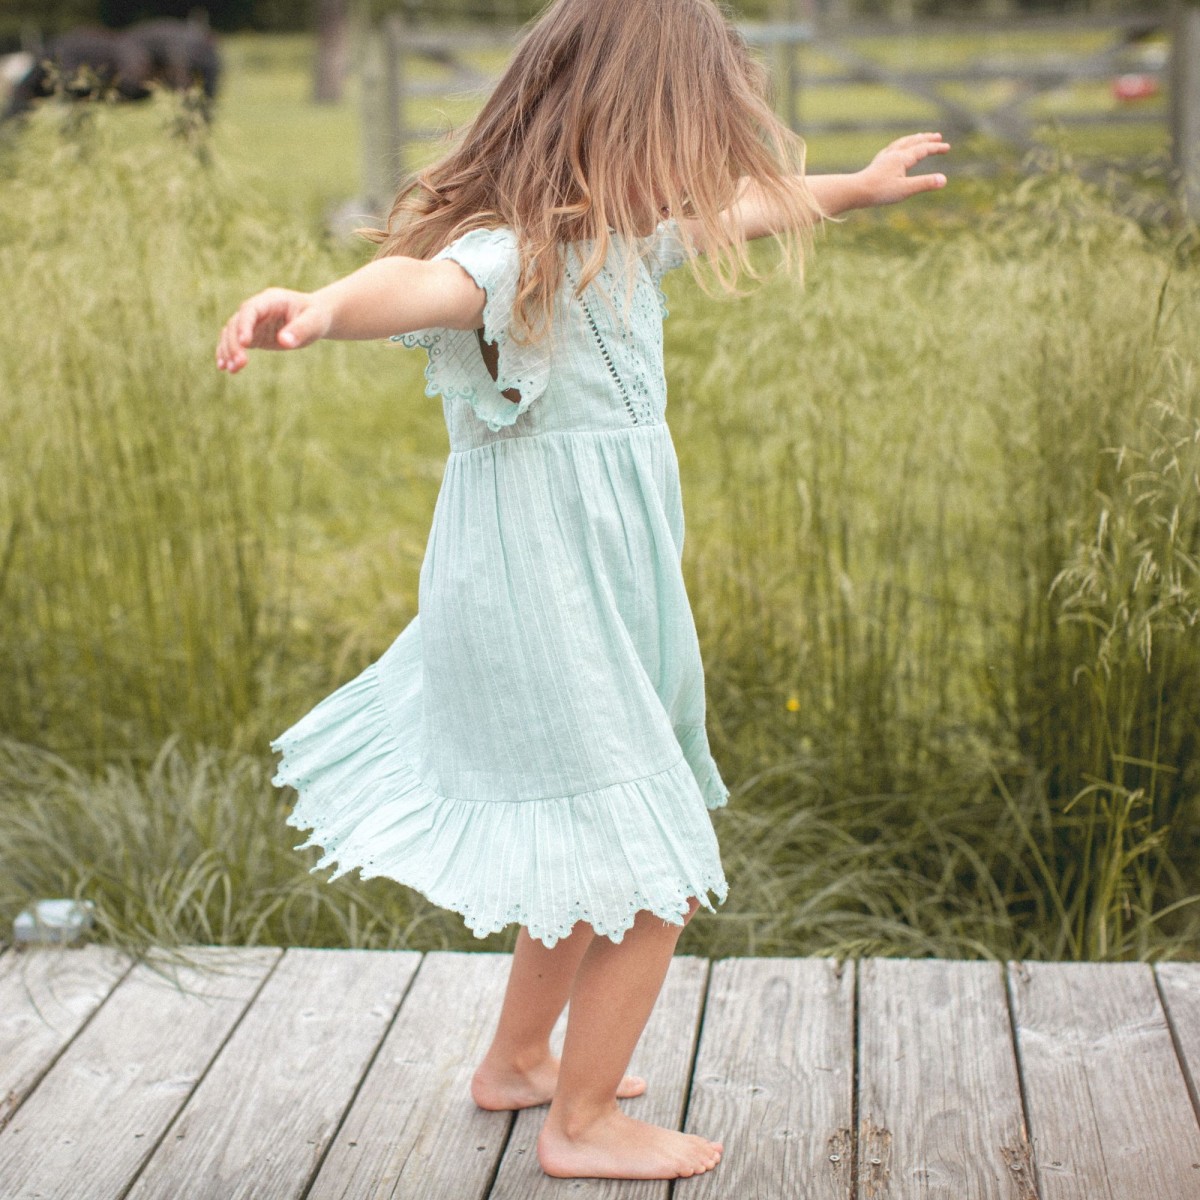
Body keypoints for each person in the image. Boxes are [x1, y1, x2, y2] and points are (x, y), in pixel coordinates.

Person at [215, 0, 949, 1180]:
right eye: (689, 132)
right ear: (627, 122)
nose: (701, 168)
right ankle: (585, 1124)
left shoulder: (619, 243)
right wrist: (316, 312)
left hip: (605, 600)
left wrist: (854, 188)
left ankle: (518, 1064)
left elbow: (735, 215)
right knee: (654, 873)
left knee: (582, 843)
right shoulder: (517, 260)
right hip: (539, 606)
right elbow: (413, 282)